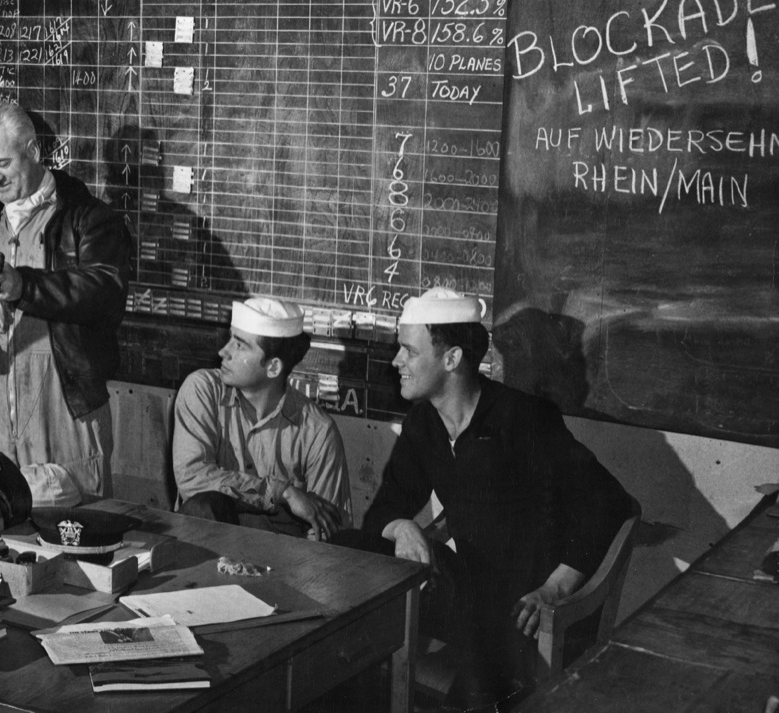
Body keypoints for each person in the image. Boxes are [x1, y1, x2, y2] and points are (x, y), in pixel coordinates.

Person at [360, 288, 634, 709]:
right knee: (352, 551)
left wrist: (553, 589)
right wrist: (403, 527)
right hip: (471, 598)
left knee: (473, 689)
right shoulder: (423, 424)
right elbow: (382, 510)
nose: (396, 361)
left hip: (527, 613)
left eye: (409, 351)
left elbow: (610, 503)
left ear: (451, 359)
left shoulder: (524, 418)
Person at [0, 101, 130, 504]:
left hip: (63, 416)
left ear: (32, 151)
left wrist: (25, 287)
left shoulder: (89, 219)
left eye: (3, 163)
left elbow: (104, 290)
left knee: (71, 529)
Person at [172, 296, 353, 540]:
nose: (223, 352)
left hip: (282, 558)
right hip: (207, 552)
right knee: (203, 506)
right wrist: (282, 492)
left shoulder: (318, 432)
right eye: (230, 339)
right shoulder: (202, 390)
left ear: (273, 367)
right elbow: (193, 478)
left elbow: (328, 525)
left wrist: (317, 535)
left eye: (239, 345)